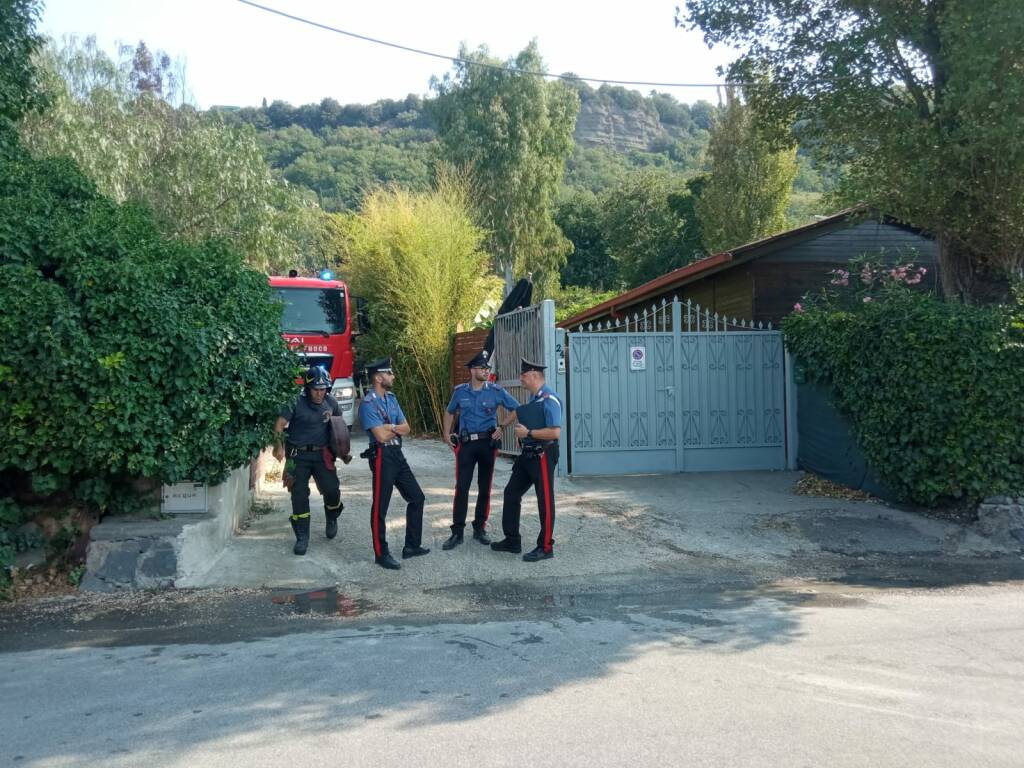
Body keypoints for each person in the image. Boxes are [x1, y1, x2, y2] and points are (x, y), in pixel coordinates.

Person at [441, 349, 519, 550]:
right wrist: (446, 433)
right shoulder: (460, 392)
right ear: (472, 370)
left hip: (487, 445)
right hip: (466, 445)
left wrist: (502, 426)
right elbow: (450, 412)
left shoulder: (495, 390)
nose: (486, 371)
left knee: (485, 487)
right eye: (482, 368)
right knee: (462, 488)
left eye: (487, 368)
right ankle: (457, 531)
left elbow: (516, 409)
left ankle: (479, 528)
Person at [358, 357, 429, 570]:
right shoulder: (368, 403)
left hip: (397, 454)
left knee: (417, 497)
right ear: (379, 377)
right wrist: (392, 427)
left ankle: (412, 546)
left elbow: (407, 427)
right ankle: (381, 553)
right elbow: (379, 436)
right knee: (380, 507)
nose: (393, 376)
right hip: (382, 457)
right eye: (389, 373)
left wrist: (391, 427)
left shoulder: (391, 398)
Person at [490, 358, 562, 562]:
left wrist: (528, 432)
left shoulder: (550, 399)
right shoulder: (535, 398)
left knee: (545, 501)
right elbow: (521, 413)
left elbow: (555, 433)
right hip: (528, 455)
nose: (521, 378)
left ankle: (546, 547)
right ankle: (512, 540)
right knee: (511, 493)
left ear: (533, 375)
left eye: (523, 375)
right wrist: (518, 432)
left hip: (543, 455)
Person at [273, 366, 345, 555]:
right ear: (307, 388)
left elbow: (339, 428)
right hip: (296, 456)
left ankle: (332, 515)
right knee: (298, 495)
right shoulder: (295, 402)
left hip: (323, 455)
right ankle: (302, 536)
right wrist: (278, 446)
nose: (320, 393)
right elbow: (279, 425)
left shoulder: (331, 403)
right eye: (316, 389)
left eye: (323, 389)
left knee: (332, 490)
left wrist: (342, 450)